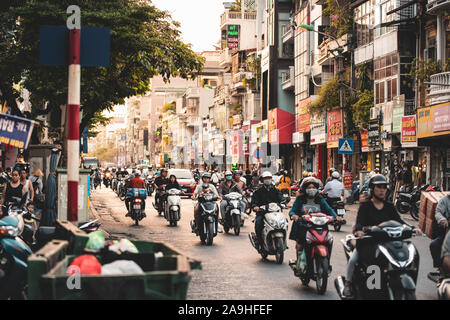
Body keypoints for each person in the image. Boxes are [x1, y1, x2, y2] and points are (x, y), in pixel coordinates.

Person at [342, 174, 422, 297]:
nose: (382, 190)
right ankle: (348, 283)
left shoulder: (390, 207)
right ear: (372, 189)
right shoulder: (365, 206)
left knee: (412, 253)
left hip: (387, 242)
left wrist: (412, 228)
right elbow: (359, 222)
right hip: (369, 242)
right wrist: (359, 231)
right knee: (354, 259)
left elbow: (400, 220)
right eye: (379, 187)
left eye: (384, 187)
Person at [289, 177, 340, 273]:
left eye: (313, 187)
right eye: (309, 187)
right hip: (304, 227)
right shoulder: (300, 200)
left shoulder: (320, 200)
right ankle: (299, 263)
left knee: (329, 241)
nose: (311, 189)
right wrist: (294, 215)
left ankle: (326, 263)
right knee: (300, 245)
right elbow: (293, 211)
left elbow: (329, 210)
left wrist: (336, 217)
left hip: (320, 227)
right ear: (304, 189)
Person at [251, 171, 283, 250]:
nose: (268, 180)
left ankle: (283, 239)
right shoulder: (258, 191)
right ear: (262, 180)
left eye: (269, 178)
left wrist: (284, 203)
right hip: (262, 213)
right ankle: (259, 242)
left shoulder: (275, 190)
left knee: (283, 222)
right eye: (266, 178)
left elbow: (281, 198)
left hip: (275, 212)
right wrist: (255, 206)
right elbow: (254, 202)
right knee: (258, 223)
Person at [429, 193, 450, 280]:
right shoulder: (445, 200)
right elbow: (438, 212)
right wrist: (443, 220)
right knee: (434, 245)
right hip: (447, 232)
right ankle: (441, 270)